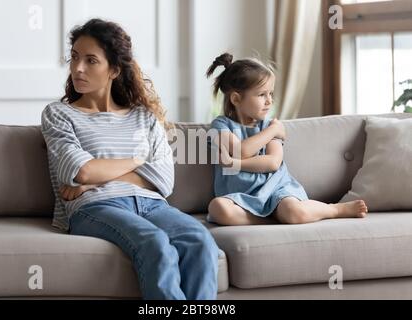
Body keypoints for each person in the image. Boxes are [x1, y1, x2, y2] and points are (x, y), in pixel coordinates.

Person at [40, 18, 219, 300]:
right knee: (155, 243)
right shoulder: (59, 114)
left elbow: (163, 179)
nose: (77, 68)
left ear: (114, 69)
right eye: (74, 57)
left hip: (152, 205)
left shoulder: (143, 117)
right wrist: (137, 160)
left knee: (201, 241)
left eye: (90, 60)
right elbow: (81, 171)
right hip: (95, 207)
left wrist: (101, 175)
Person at [206, 53, 368, 226]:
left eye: (271, 94)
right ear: (236, 99)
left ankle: (335, 209)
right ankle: (270, 220)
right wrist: (271, 132)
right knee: (217, 208)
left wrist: (234, 164)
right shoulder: (221, 125)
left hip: (276, 191)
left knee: (294, 212)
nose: (269, 101)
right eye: (262, 95)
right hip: (239, 198)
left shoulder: (270, 125)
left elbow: (273, 162)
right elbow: (241, 151)